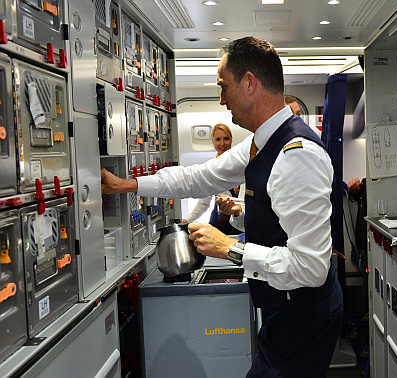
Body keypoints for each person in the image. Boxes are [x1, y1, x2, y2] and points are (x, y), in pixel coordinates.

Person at [101, 36, 343, 377]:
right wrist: (128, 185)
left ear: (249, 83)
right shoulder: (260, 144)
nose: (221, 98)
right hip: (285, 310)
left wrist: (230, 247)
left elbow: (312, 267)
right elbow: (198, 178)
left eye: (223, 86)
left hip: (305, 316)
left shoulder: (296, 155)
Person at [183, 123, 242, 235]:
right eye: (218, 139)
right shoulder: (211, 168)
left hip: (240, 223)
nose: (222, 143)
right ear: (213, 141)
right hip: (218, 224)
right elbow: (204, 203)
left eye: (226, 139)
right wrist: (186, 220)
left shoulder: (241, 164)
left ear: (231, 140)